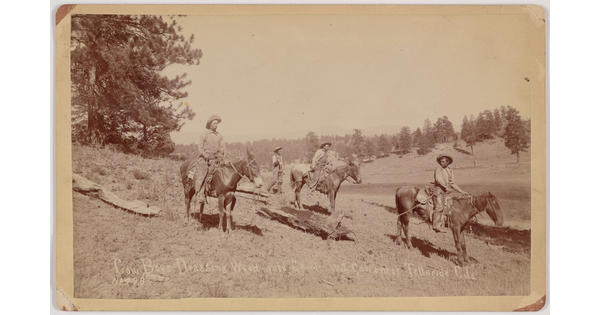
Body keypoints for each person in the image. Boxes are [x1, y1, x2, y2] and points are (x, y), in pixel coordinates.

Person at [187, 115, 225, 205]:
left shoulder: (220, 136)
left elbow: (222, 148)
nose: (216, 125)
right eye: (214, 123)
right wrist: (205, 155)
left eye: (217, 123)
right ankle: (199, 193)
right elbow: (200, 147)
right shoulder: (204, 134)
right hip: (205, 158)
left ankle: (217, 191)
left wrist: (220, 156)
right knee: (202, 172)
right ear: (210, 124)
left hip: (216, 159)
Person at [431, 154, 469, 233]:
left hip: (446, 191)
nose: (441, 163)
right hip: (438, 190)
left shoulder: (450, 171)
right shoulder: (438, 169)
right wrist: (445, 187)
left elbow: (453, 183)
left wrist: (461, 191)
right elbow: (438, 180)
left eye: (443, 161)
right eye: (440, 161)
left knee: (449, 207)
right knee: (439, 206)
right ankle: (436, 225)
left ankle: (445, 224)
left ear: (447, 162)